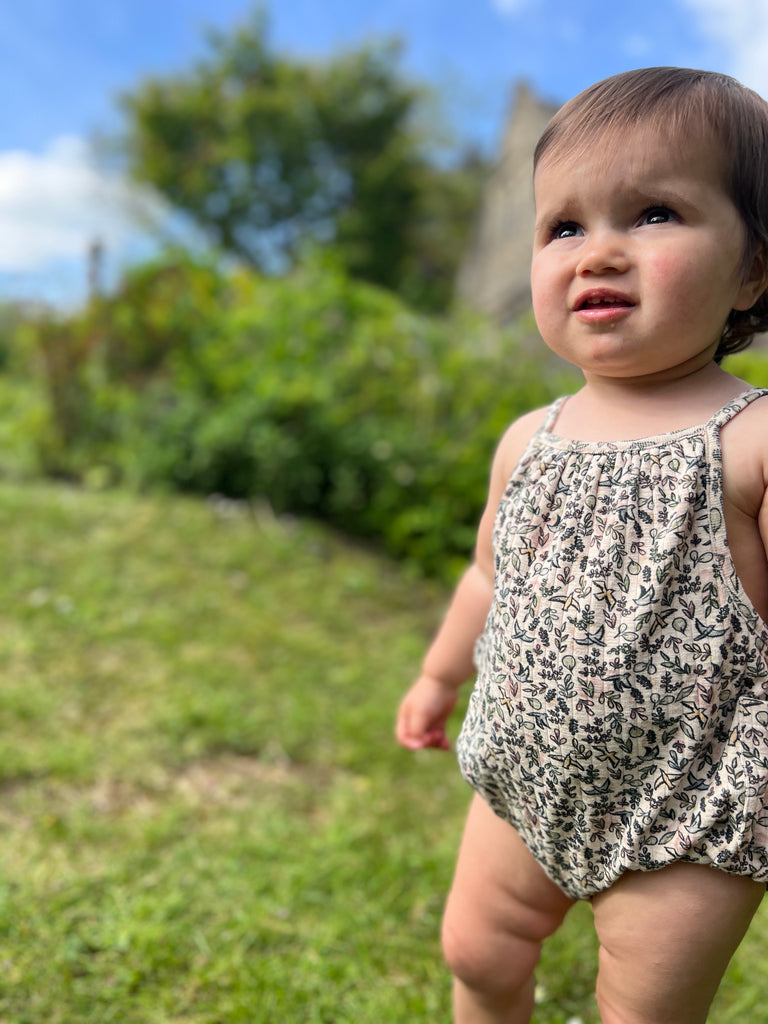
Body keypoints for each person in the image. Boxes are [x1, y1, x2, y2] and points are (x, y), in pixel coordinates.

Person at [395, 66, 768, 1024]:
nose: (596, 251)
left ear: (754, 268)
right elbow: (489, 573)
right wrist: (440, 678)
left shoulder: (752, 441)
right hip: (522, 770)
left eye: (652, 214)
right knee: (475, 954)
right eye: (564, 226)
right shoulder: (531, 438)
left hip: (684, 807)